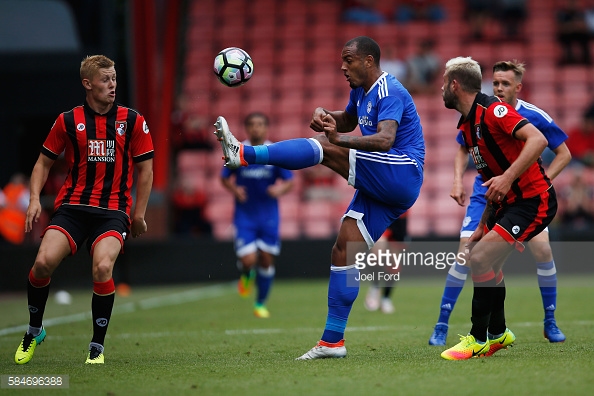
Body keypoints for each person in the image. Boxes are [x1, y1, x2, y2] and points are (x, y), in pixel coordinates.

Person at [214, 36, 424, 359]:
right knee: (344, 249)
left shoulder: (389, 90)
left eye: (349, 60)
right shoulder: (361, 90)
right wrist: (328, 116)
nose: (343, 66)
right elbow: (351, 120)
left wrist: (339, 139)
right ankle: (332, 341)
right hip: (387, 184)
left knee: (326, 148)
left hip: (402, 171)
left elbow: (385, 139)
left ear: (369, 61)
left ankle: (244, 153)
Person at [14, 55, 154, 365]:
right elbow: (43, 163)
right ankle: (34, 330)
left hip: (113, 211)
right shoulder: (67, 120)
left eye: (114, 78)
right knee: (42, 263)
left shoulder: (132, 120)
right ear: (88, 84)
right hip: (73, 208)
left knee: (103, 268)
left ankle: (96, 348)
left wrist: (139, 213)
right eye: (106, 79)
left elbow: (146, 171)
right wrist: (35, 198)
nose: (112, 84)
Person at [429, 60, 571, 347]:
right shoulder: (469, 125)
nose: (499, 87)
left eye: (444, 82)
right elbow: (488, 178)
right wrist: (483, 222)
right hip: (500, 199)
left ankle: (483, 337)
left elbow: (543, 142)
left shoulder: (498, 111)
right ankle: (496, 332)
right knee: (478, 256)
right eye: (496, 82)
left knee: (490, 257)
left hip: (529, 198)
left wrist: (512, 178)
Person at [220, 112, 294, 318]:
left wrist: (280, 190)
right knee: (248, 260)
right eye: (252, 124)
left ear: (266, 128)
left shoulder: (273, 152)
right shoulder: (238, 152)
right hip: (245, 216)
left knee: (266, 260)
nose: (256, 128)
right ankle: (245, 274)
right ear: (247, 128)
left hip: (269, 216)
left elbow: (289, 180)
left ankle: (260, 303)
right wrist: (235, 191)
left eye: (260, 124)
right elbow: (224, 177)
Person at [363, 214, 409, 314]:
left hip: (399, 217)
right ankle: (375, 287)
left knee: (394, 263)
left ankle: (386, 298)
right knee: (377, 253)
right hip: (383, 215)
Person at [556, 0, 592, 65]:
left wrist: (571, 26)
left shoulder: (581, 14)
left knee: (585, 38)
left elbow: (585, 27)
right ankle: (569, 60)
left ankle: (586, 61)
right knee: (565, 40)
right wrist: (574, 26)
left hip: (579, 34)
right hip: (567, 35)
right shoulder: (563, 14)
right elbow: (561, 28)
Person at [0, 173, 30, 245]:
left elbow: (3, 204)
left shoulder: (7, 190)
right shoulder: (24, 192)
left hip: (5, 229)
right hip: (14, 230)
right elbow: (29, 208)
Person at [565, 103, 594, 168]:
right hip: (574, 160)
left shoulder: (592, 134)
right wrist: (585, 154)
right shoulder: (574, 133)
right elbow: (571, 150)